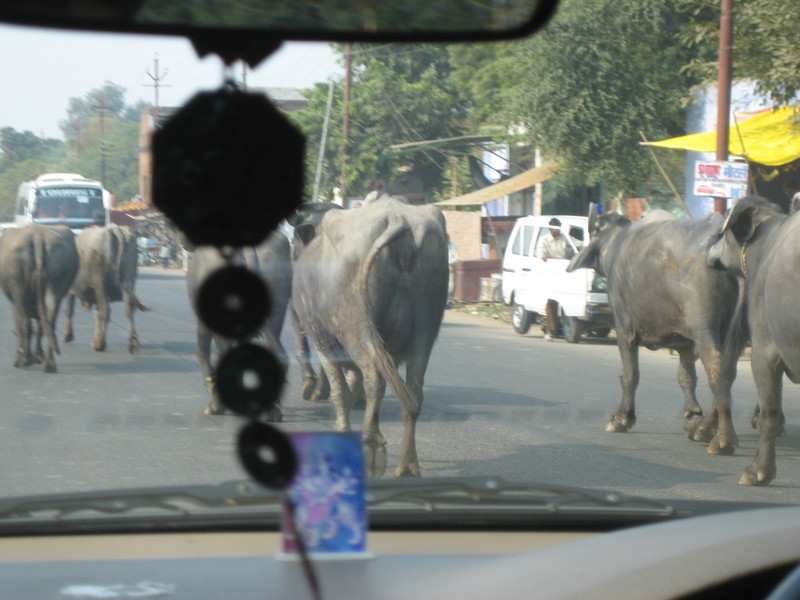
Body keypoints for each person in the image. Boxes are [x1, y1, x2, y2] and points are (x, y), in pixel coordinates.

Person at [535, 218, 576, 341]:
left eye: (558, 229)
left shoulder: (565, 238)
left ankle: (563, 327)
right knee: (551, 302)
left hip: (564, 274)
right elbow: (541, 253)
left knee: (565, 301)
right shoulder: (544, 240)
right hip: (550, 274)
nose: (556, 231)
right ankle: (553, 329)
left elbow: (575, 247)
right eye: (554, 229)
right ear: (550, 229)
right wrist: (544, 256)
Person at [447, 235, 459, 307]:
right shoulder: (441, 245)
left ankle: (449, 300)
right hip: (443, 266)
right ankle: (447, 300)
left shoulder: (453, 245)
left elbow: (456, 256)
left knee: (451, 284)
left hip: (451, 265)